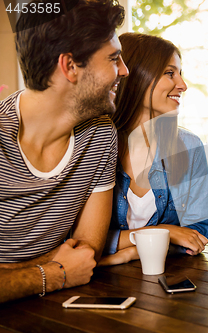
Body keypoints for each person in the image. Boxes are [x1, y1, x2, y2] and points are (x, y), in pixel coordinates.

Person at [0, 0, 128, 303]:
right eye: (113, 58)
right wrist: (53, 272)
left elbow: (84, 255)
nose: (124, 70)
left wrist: (10, 274)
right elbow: (69, 268)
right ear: (70, 66)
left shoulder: (100, 134)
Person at [98, 33, 208, 266]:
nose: (182, 85)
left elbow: (196, 234)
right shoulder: (94, 144)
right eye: (170, 73)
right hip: (99, 281)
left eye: (180, 74)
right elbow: (78, 239)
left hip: (167, 277)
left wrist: (131, 251)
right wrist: (164, 232)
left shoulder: (190, 147)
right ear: (136, 74)